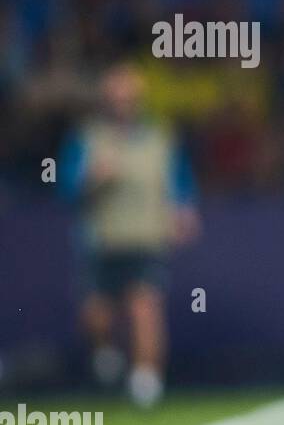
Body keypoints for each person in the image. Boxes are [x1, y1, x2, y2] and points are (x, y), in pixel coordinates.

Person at [60, 62, 200, 407]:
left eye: (130, 98)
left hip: (146, 237)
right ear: (106, 101)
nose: (124, 105)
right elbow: (65, 188)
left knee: (145, 304)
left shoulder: (160, 138)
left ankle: (146, 380)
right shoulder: (87, 138)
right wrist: (92, 179)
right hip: (103, 240)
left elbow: (179, 180)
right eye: (117, 98)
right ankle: (104, 350)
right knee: (97, 316)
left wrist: (183, 209)